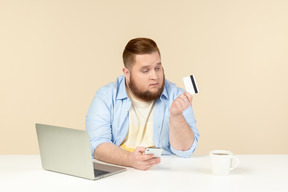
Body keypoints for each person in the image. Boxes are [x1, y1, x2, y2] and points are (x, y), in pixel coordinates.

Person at [86, 38, 199, 170]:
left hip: (163, 171)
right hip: (121, 167)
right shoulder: (105, 97)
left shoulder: (177, 97)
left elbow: (185, 150)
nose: (155, 76)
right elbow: (97, 145)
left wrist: (176, 115)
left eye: (158, 68)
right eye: (145, 70)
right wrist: (130, 160)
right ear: (127, 73)